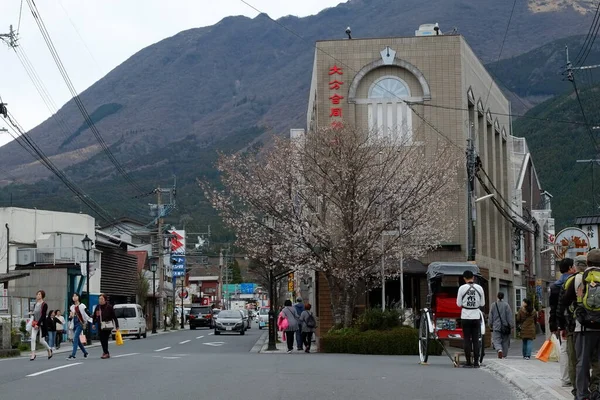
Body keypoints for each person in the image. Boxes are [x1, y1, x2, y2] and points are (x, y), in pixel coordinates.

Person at [560, 249, 600, 400]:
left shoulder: (578, 278)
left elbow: (564, 301)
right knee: (598, 361)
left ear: (588, 262)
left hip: (582, 327)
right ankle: (597, 391)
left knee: (582, 361)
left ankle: (582, 394)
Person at [551, 258, 577, 387]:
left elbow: (554, 308)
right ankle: (573, 377)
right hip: (573, 321)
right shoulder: (575, 281)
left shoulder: (555, 286)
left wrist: (555, 324)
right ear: (570, 268)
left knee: (564, 350)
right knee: (573, 350)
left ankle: (565, 377)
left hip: (561, 322)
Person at [456, 270, 485, 368]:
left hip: (465, 315)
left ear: (464, 278)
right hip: (476, 315)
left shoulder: (462, 288)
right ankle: (476, 362)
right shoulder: (480, 288)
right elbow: (482, 304)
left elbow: (459, 304)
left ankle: (468, 362)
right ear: (473, 277)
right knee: (476, 340)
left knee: (467, 339)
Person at [93, 293, 119, 359]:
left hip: (107, 325)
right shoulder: (97, 307)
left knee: (105, 339)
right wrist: (93, 323)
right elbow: (94, 316)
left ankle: (106, 353)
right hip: (100, 325)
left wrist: (117, 326)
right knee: (101, 339)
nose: (100, 300)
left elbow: (114, 317)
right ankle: (105, 352)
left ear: (105, 300)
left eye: (101, 299)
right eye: (99, 299)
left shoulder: (109, 307)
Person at [67, 292, 92, 360]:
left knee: (75, 338)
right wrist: (71, 316)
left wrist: (91, 320)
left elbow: (88, 313)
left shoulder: (82, 306)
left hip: (80, 324)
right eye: (73, 296)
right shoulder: (72, 307)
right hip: (74, 324)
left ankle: (73, 355)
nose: (74, 297)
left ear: (78, 297)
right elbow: (69, 318)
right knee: (77, 340)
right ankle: (85, 353)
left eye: (76, 296)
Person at [30, 290, 53, 361]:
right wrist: (32, 315)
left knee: (41, 341)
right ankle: (33, 353)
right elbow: (35, 313)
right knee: (33, 338)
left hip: (42, 324)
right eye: (37, 294)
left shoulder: (44, 304)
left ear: (42, 296)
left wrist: (38, 324)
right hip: (35, 323)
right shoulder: (35, 304)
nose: (37, 295)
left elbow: (43, 316)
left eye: (39, 294)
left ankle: (49, 349)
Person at [489, 292, 513, 359]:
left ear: (497, 296)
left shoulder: (493, 305)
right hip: (505, 326)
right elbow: (509, 316)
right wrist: (511, 325)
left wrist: (490, 324)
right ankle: (504, 355)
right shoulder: (506, 305)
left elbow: (490, 316)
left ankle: (499, 350)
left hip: (496, 326)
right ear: (503, 297)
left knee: (496, 340)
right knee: (505, 341)